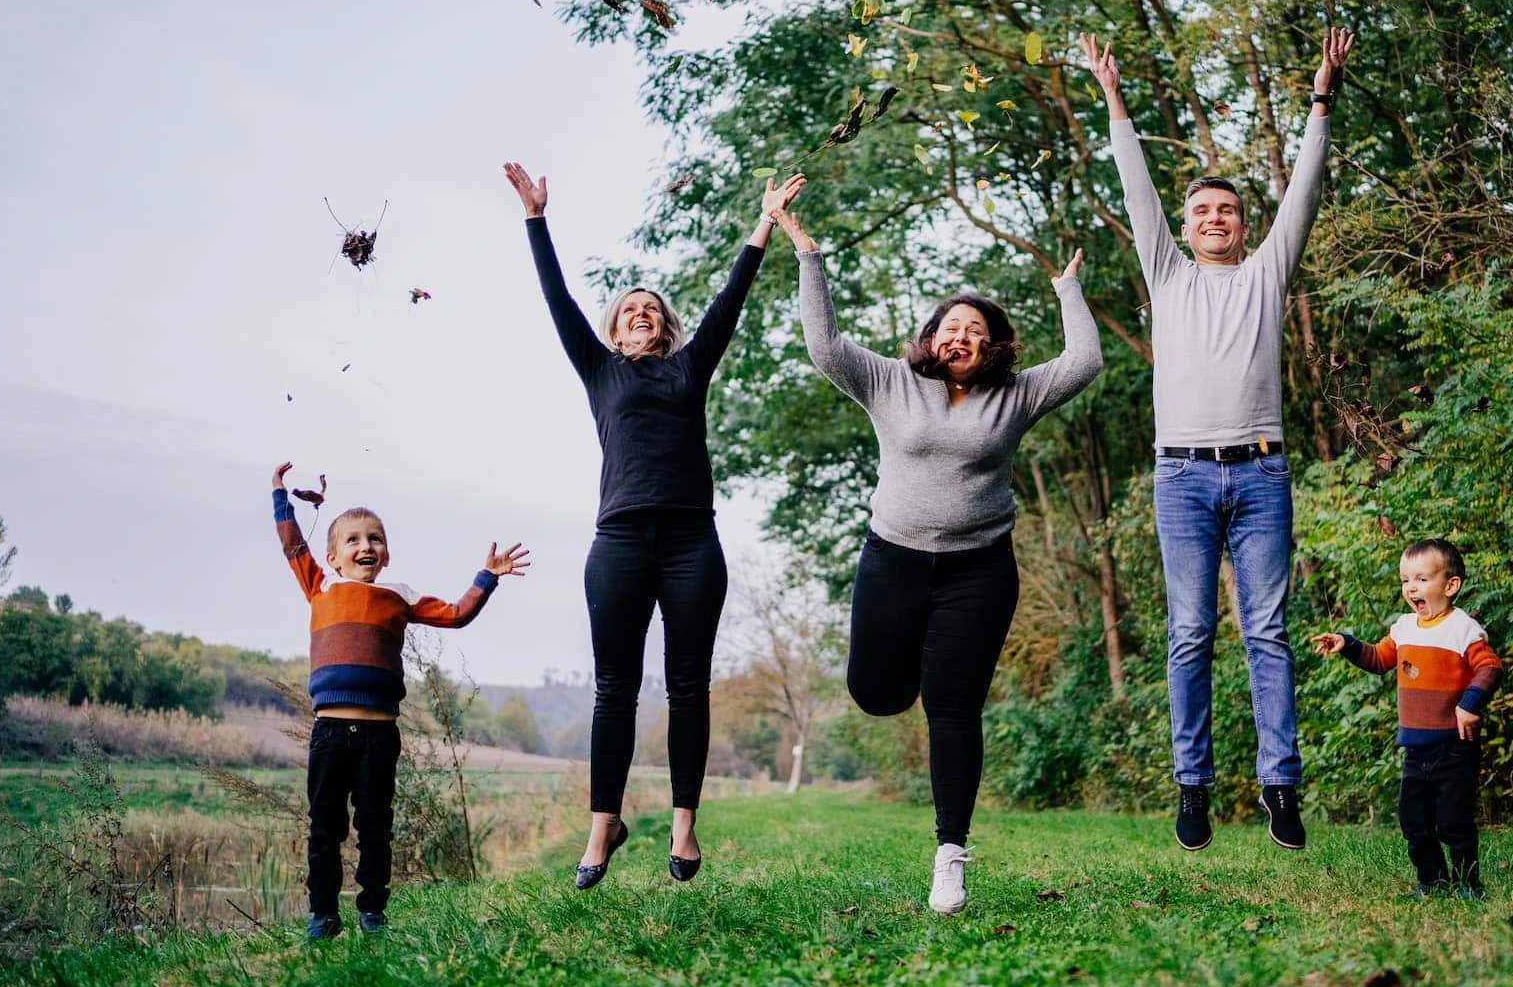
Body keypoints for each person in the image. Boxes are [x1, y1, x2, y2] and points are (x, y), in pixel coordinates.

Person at [767, 195, 1101, 913]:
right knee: (876, 694)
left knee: (953, 706)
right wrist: (807, 252)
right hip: (893, 561)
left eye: (975, 330)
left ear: (994, 346)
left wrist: (1068, 290)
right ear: (931, 336)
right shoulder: (891, 381)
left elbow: (1085, 360)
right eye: (951, 326)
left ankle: (951, 854)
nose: (960, 336)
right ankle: (920, 658)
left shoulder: (1015, 396)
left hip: (979, 570)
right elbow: (825, 347)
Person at [1081, 27, 1356, 854]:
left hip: (1262, 473)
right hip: (1183, 478)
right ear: (1188, 224)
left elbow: (1304, 189)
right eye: (1201, 210)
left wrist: (1320, 97)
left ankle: (1281, 786)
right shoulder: (1165, 274)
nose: (1213, 219)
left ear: (1244, 225)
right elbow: (1136, 192)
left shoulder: (1269, 274)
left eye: (1226, 211)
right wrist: (1114, 97)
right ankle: (1192, 786)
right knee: (1191, 633)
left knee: (1267, 632)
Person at [504, 161, 804, 887]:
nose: (640, 313)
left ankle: (684, 826)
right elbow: (556, 298)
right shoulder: (600, 371)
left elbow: (730, 301)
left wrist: (763, 223)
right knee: (614, 688)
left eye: (651, 309)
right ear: (614, 329)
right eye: (629, 309)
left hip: (692, 542)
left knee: (688, 687)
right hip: (620, 543)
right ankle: (603, 824)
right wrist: (536, 219)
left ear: (664, 326)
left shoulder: (689, 368)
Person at [271, 463, 529, 940]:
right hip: (329, 732)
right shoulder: (320, 586)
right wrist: (279, 496)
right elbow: (292, 544)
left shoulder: (399, 596)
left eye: (375, 539)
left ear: (386, 555)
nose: (365, 546)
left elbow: (455, 615)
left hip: (378, 735)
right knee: (324, 829)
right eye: (353, 540)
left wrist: (486, 577)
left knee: (375, 829)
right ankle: (323, 916)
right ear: (332, 557)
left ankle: (373, 915)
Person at [1311, 538, 1503, 896]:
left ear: (1450, 586)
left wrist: (1470, 703)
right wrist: (1347, 644)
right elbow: (1378, 659)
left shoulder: (1462, 629)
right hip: (1416, 751)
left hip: (1454, 748)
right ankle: (1432, 880)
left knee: (1454, 822)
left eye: (1421, 579)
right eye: (1405, 581)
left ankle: (1467, 883)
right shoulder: (1404, 627)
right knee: (1413, 822)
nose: (1411, 587)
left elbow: (1490, 668)